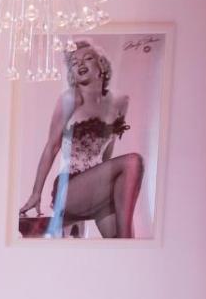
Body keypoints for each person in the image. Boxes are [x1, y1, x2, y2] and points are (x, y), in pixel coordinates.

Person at [19, 41, 144, 238]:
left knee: (120, 239)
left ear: (101, 65)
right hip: (70, 188)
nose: (80, 64)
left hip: (98, 188)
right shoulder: (70, 99)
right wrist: (36, 193)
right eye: (74, 62)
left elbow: (108, 151)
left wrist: (107, 183)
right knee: (133, 162)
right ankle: (131, 248)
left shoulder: (120, 102)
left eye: (87, 58)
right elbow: (52, 147)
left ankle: (129, 250)